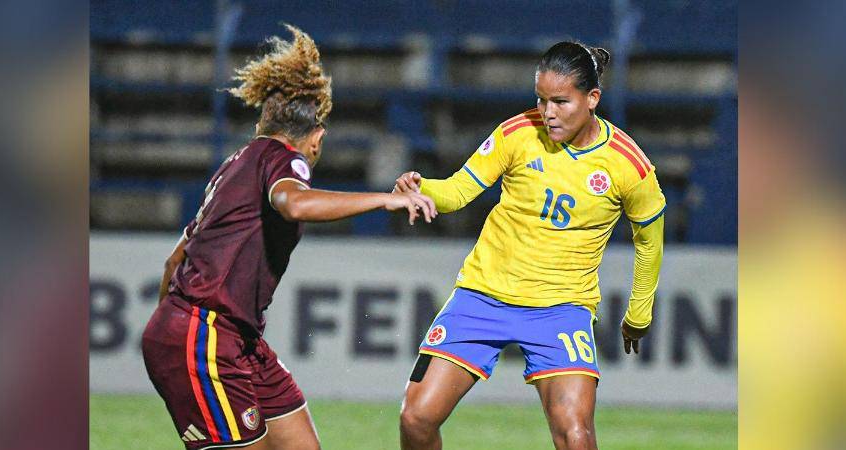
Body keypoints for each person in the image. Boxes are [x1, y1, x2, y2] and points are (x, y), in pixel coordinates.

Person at [141, 25, 437, 450]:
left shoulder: (235, 165)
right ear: (317, 137)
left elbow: (176, 260)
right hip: (205, 334)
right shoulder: (285, 158)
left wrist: (168, 333)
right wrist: (384, 199)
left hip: (230, 337)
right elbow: (293, 203)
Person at [393, 41, 665, 450]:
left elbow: (650, 241)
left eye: (560, 101)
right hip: (482, 295)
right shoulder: (517, 133)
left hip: (561, 308)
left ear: (592, 98)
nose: (548, 112)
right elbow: (458, 190)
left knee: (575, 436)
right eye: (541, 99)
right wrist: (422, 188)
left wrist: (639, 312)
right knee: (415, 418)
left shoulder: (628, 164)